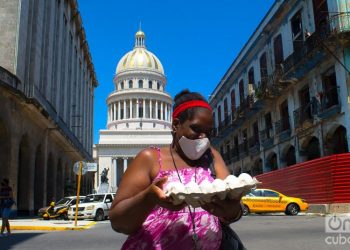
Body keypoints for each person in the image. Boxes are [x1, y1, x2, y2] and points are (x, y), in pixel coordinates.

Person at [110, 89, 243, 249]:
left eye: (208, 133)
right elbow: (118, 222)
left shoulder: (212, 157)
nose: (203, 138)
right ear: (176, 125)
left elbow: (234, 209)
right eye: (196, 129)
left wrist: (232, 210)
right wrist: (149, 198)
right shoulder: (150, 158)